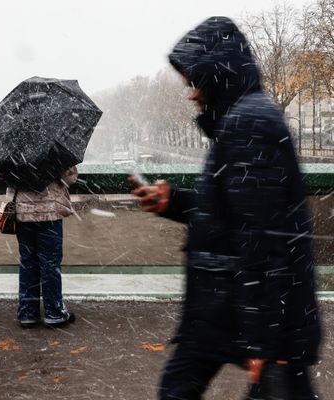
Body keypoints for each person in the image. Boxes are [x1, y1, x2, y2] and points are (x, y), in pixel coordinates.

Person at [130, 17, 321, 399]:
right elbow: (241, 211)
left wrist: (265, 342)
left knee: (180, 387)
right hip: (224, 305)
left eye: (194, 82)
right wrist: (175, 201)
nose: (190, 93)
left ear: (217, 75)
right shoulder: (243, 120)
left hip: (237, 305)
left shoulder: (248, 124)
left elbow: (264, 237)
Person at [6, 167, 78, 329]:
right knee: (50, 263)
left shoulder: (12, 151)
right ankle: (54, 313)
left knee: (27, 262)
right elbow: (70, 177)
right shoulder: (53, 148)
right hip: (49, 213)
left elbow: (9, 181)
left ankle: (27, 313)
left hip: (22, 213)